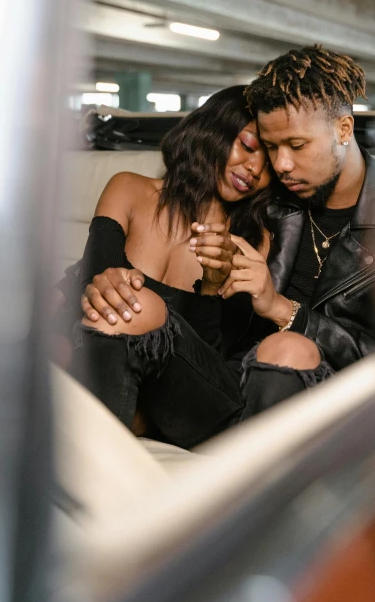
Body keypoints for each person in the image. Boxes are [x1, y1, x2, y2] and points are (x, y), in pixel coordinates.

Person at [82, 46, 375, 437]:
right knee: (128, 306)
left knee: (286, 350)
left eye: (296, 146)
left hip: (322, 402)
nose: (279, 166)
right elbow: (209, 335)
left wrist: (283, 310)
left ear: (343, 130)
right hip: (225, 388)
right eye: (269, 147)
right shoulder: (268, 206)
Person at [59, 84, 321, 449]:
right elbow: (94, 293)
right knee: (115, 307)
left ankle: (124, 432)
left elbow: (208, 366)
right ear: (213, 132)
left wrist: (213, 287)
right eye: (246, 146)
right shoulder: (128, 190)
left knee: (137, 306)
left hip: (198, 403)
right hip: (111, 362)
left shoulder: (252, 242)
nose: (254, 168)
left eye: (268, 167)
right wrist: (104, 281)